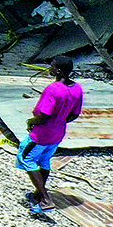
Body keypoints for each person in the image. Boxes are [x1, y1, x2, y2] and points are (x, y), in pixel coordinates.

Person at [20, 53, 85, 214]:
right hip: (58, 133)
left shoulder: (53, 89)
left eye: (53, 66)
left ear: (59, 71)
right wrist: (60, 121)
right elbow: (75, 114)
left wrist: (30, 122)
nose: (50, 68)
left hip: (41, 134)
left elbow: (43, 116)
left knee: (26, 158)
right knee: (44, 160)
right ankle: (36, 196)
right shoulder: (77, 88)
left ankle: (45, 197)